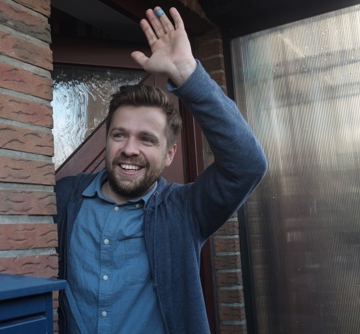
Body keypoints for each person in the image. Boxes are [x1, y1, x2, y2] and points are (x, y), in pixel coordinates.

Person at [54, 6, 267, 334]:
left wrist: (187, 72)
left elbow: (247, 164)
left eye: (146, 139)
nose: (129, 149)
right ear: (107, 139)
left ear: (169, 155)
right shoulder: (65, 196)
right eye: (120, 135)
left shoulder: (184, 210)